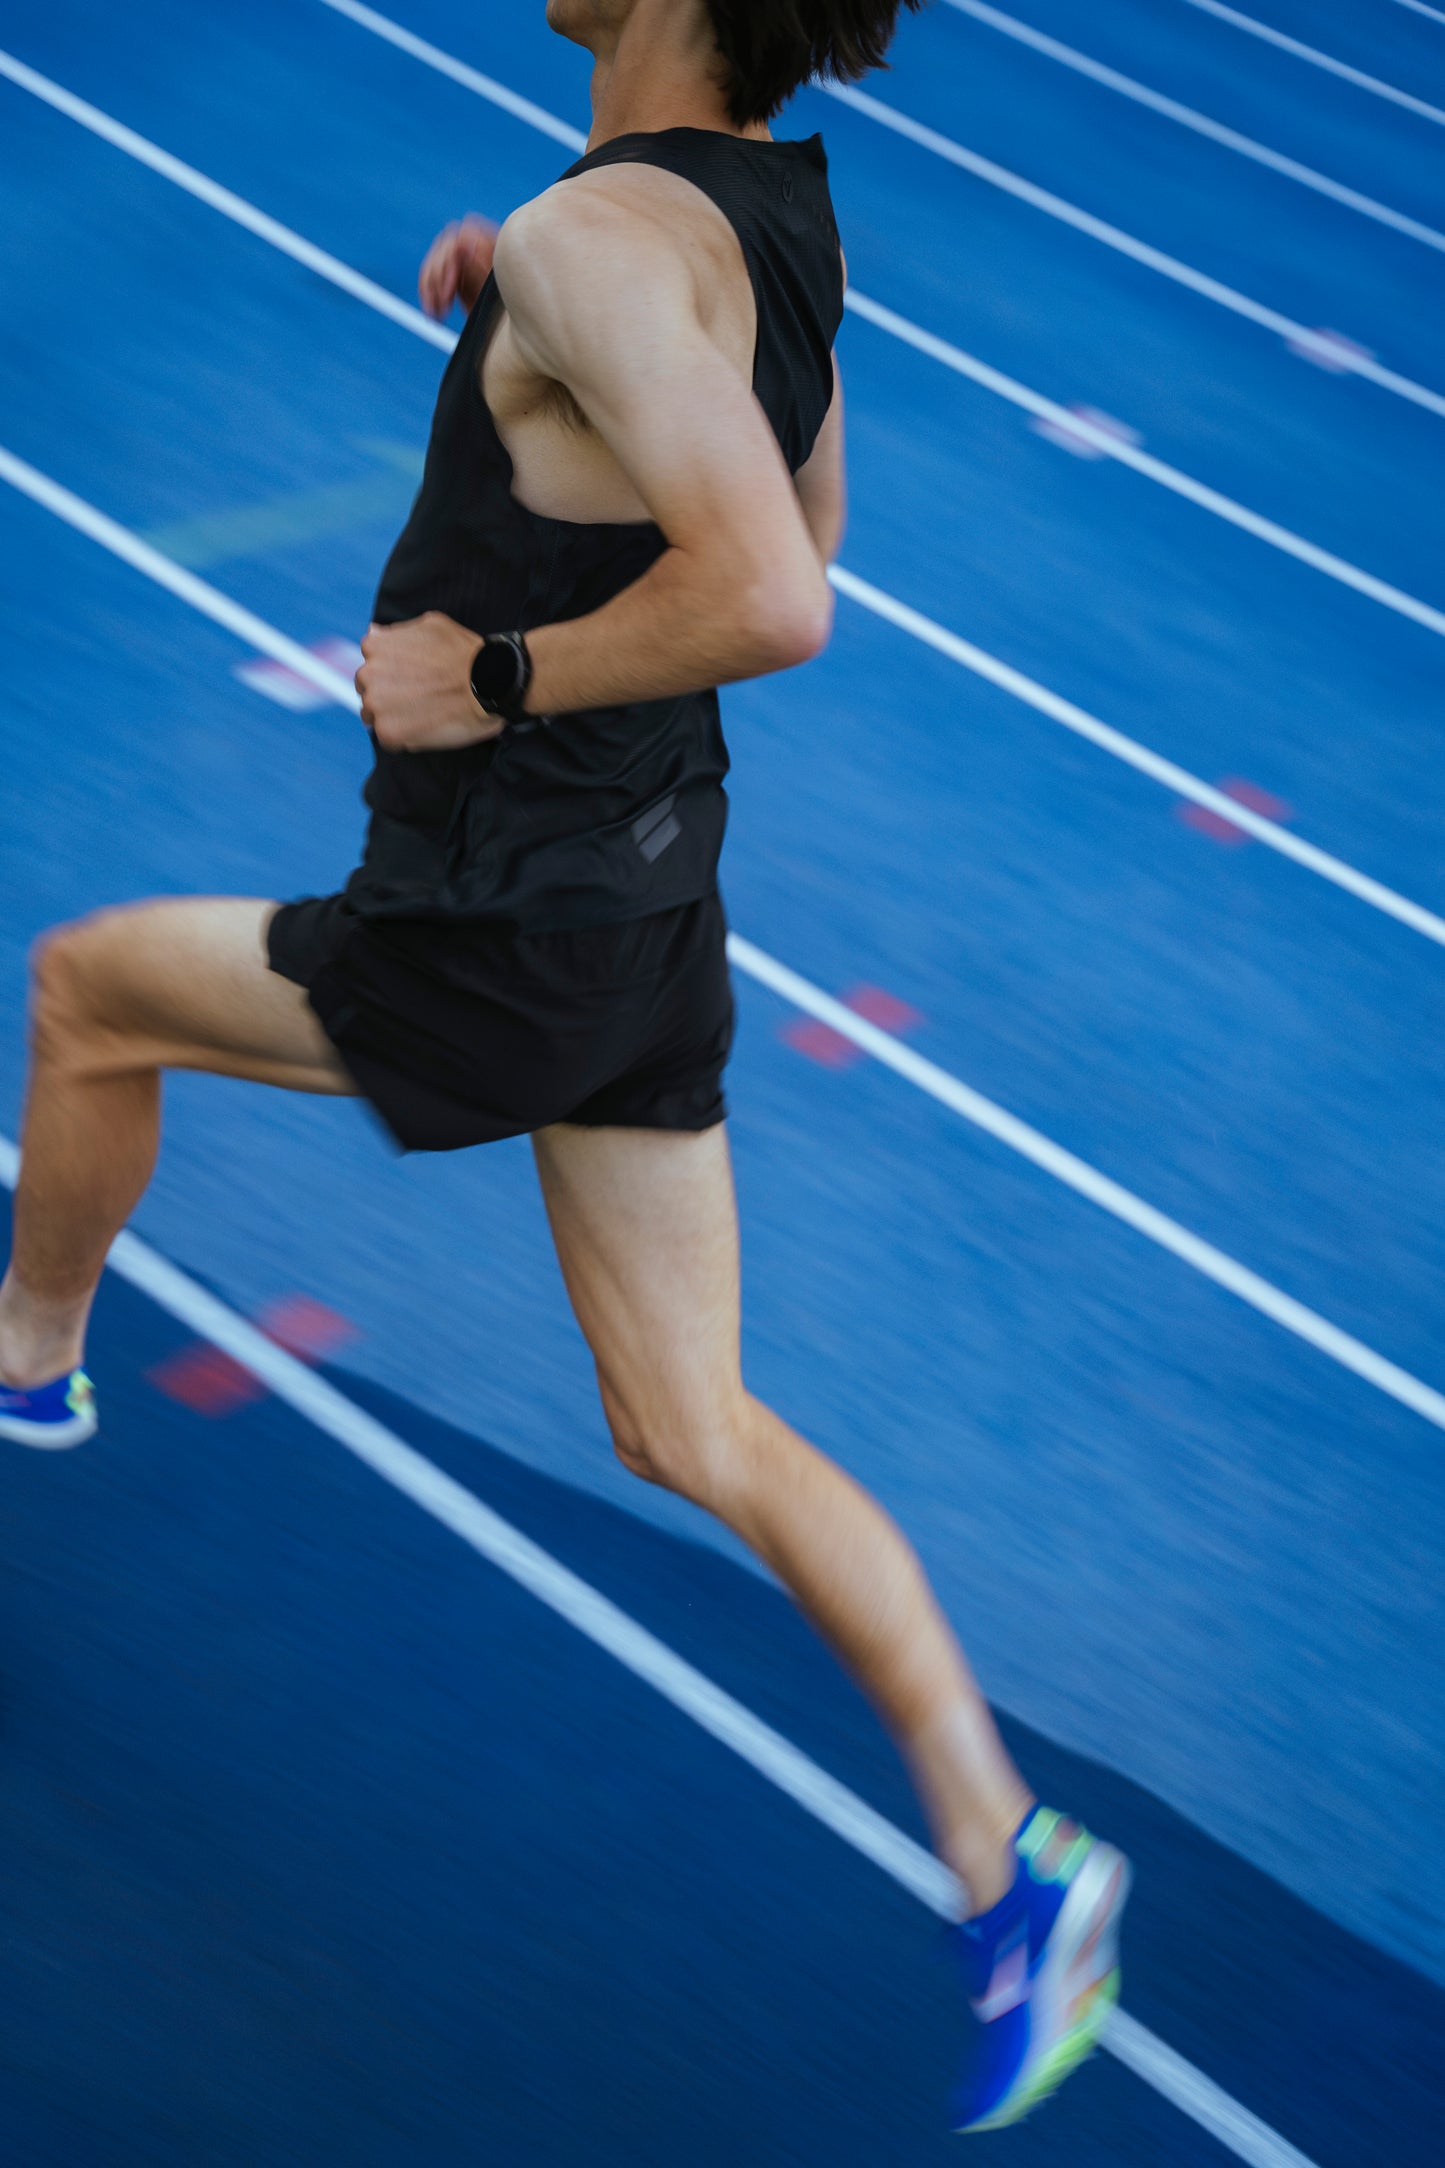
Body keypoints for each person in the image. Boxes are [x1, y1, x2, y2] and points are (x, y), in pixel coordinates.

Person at [0, 0, 1127, 2131]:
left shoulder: (607, 246)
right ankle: (1022, 1865)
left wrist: (489, 671)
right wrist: (546, 320)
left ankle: (29, 1354)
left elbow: (780, 596)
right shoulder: (763, 219)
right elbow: (807, 506)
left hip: (497, 918)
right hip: (642, 898)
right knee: (690, 1423)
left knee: (81, 992)